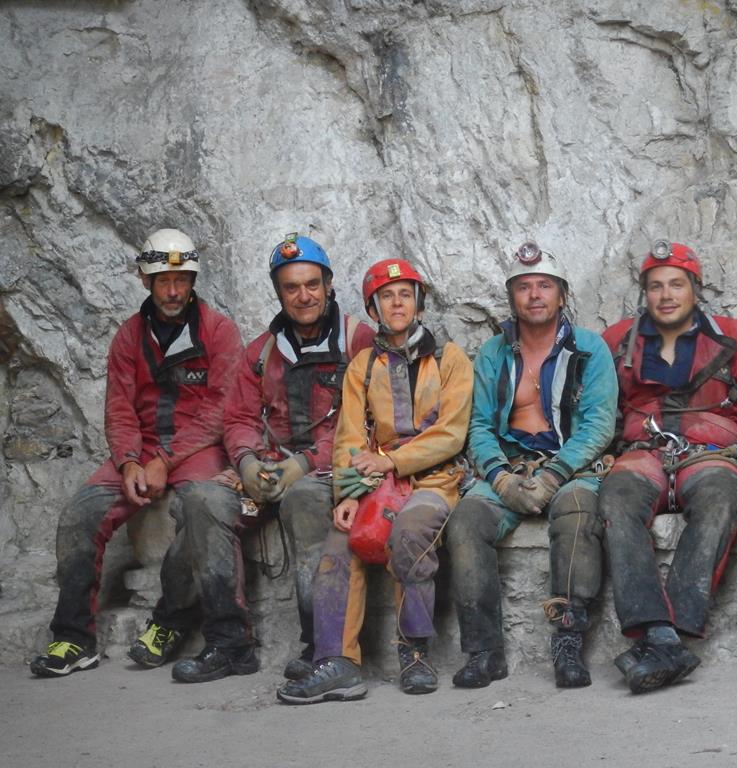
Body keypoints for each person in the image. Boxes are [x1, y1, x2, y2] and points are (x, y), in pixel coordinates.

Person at [30, 229, 243, 678]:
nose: (173, 290)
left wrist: (165, 459)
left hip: (197, 449)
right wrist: (128, 461)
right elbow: (120, 409)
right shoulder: (128, 337)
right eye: (163, 280)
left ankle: (170, 622)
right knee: (79, 514)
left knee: (201, 511)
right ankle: (73, 637)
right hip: (141, 448)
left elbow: (221, 409)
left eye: (182, 280)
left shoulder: (220, 332)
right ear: (144, 280)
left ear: (193, 280)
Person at [276, 258, 472, 703]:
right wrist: (347, 493)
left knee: (410, 533)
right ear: (373, 308)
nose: (397, 302)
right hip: (373, 484)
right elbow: (348, 435)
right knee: (339, 544)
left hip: (432, 483)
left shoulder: (449, 358)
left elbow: (451, 433)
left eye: (405, 294)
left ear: (419, 304)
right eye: (387, 296)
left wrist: (392, 461)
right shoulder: (363, 365)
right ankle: (337, 662)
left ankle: (415, 652)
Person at [194, 234, 374, 683]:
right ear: (278, 292)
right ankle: (229, 643)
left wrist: (307, 464)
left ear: (329, 285)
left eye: (312, 284)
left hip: (324, 474)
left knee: (306, 500)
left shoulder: (360, 341)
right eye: (291, 287)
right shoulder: (262, 352)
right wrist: (248, 462)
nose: (303, 296)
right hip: (270, 470)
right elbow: (237, 416)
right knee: (202, 502)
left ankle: (319, 644)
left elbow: (370, 421)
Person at [598, 239, 737, 694]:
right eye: (655, 286)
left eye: (677, 284)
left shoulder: (731, 335)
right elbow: (599, 412)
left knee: (720, 499)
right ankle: (655, 630)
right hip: (643, 448)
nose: (666, 294)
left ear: (695, 289)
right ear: (645, 293)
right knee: (616, 498)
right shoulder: (618, 341)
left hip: (711, 453)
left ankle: (671, 635)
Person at [446, 241, 617, 689]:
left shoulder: (590, 349)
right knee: (465, 520)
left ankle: (568, 642)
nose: (535, 295)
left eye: (545, 285)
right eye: (524, 287)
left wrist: (554, 474)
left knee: (579, 511)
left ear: (561, 295)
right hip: (508, 466)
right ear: (512, 297)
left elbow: (599, 426)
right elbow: (478, 425)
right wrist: (500, 478)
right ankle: (484, 651)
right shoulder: (492, 353)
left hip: (570, 469)